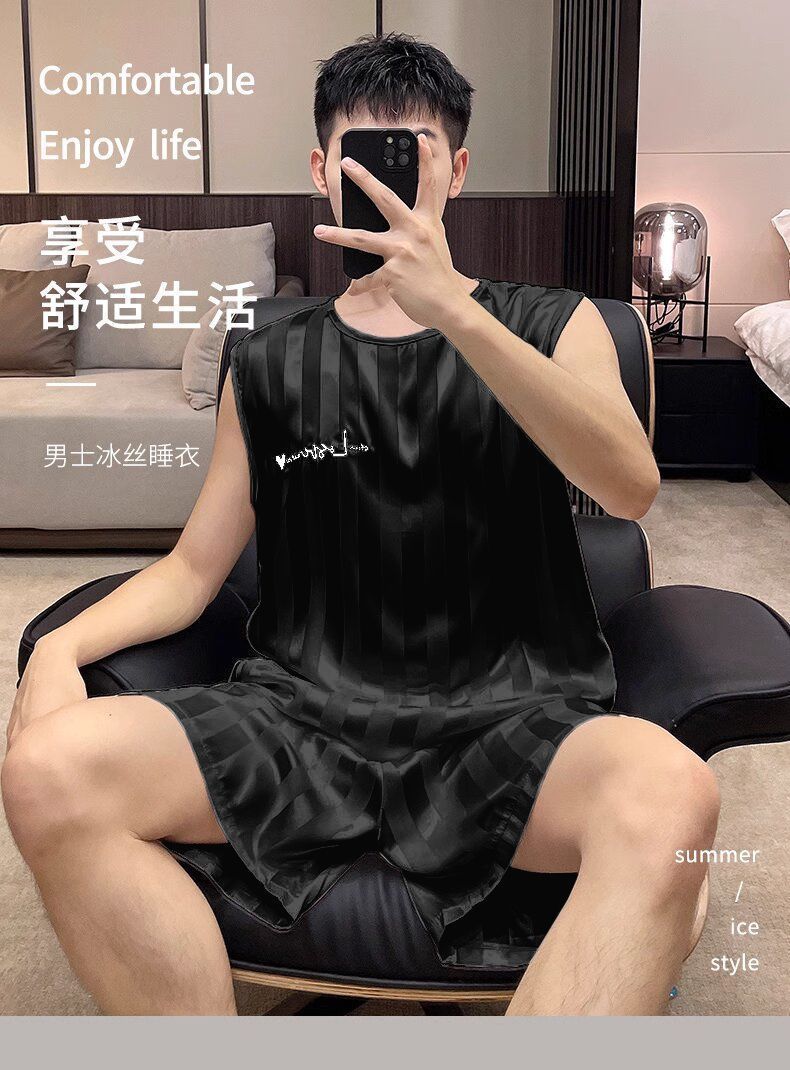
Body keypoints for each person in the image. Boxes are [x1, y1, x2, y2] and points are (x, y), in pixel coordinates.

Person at [2, 33, 719, 1016]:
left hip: (512, 715)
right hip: (303, 718)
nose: (387, 185)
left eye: (412, 158)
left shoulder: (553, 322)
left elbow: (629, 485)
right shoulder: (270, 356)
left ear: (456, 172)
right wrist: (57, 646)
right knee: (45, 770)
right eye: (363, 160)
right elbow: (194, 566)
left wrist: (455, 311)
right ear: (320, 171)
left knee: (675, 797)